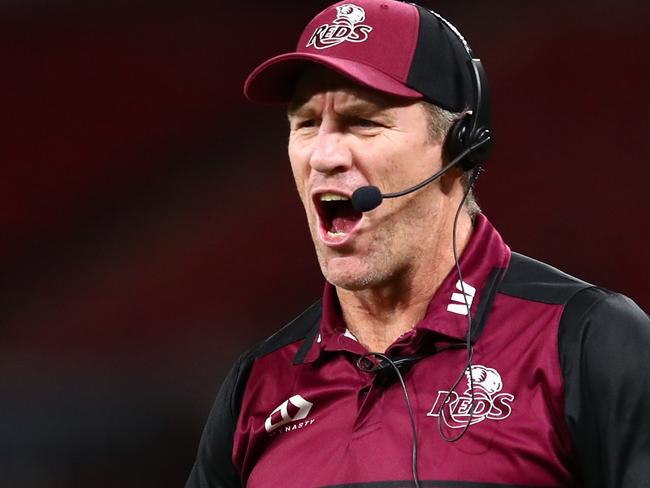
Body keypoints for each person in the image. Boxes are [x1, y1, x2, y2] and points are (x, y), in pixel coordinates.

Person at [186, 1, 650, 487]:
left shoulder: (584, 340)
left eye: (362, 121)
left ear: (459, 146)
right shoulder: (257, 384)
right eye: (305, 123)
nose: (323, 155)